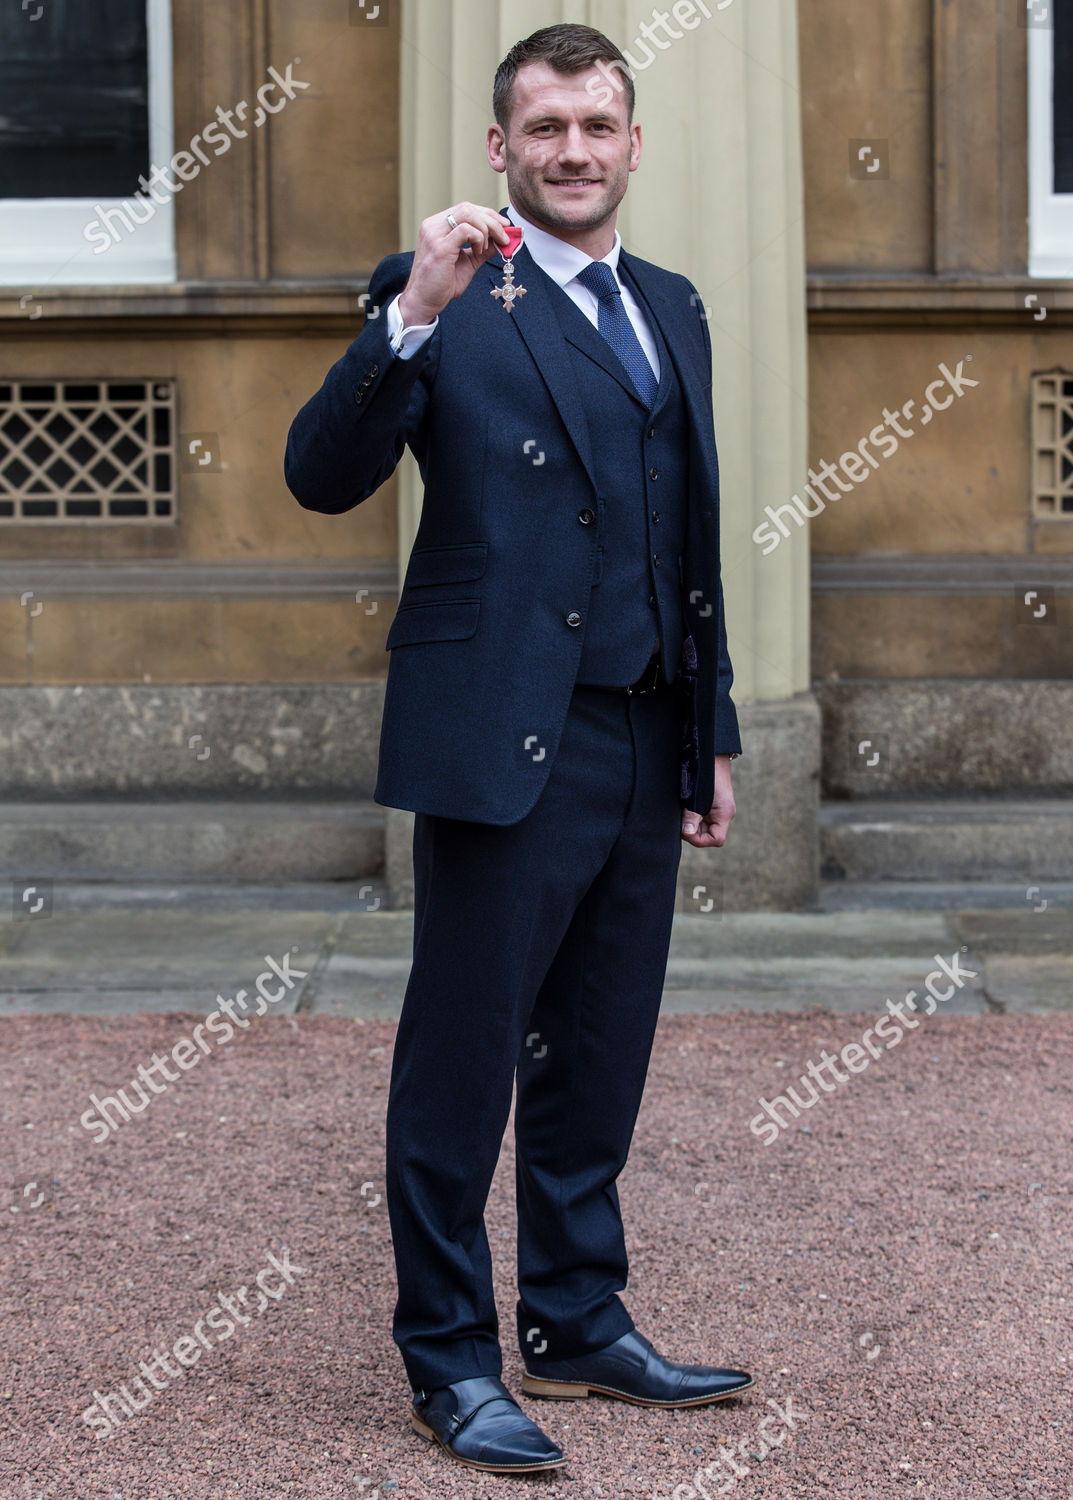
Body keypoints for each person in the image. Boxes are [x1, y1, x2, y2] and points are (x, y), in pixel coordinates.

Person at [285, 22, 751, 1476]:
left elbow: (689, 541)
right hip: (501, 729)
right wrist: (408, 312)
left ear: (629, 142)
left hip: (642, 728)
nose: (570, 152)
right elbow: (319, 474)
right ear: (500, 147)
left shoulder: (669, 303)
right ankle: (451, 1361)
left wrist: (712, 728)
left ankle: (576, 1316)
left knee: (596, 1051)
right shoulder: (445, 295)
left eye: (594, 127)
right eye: (542, 129)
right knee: (462, 1059)